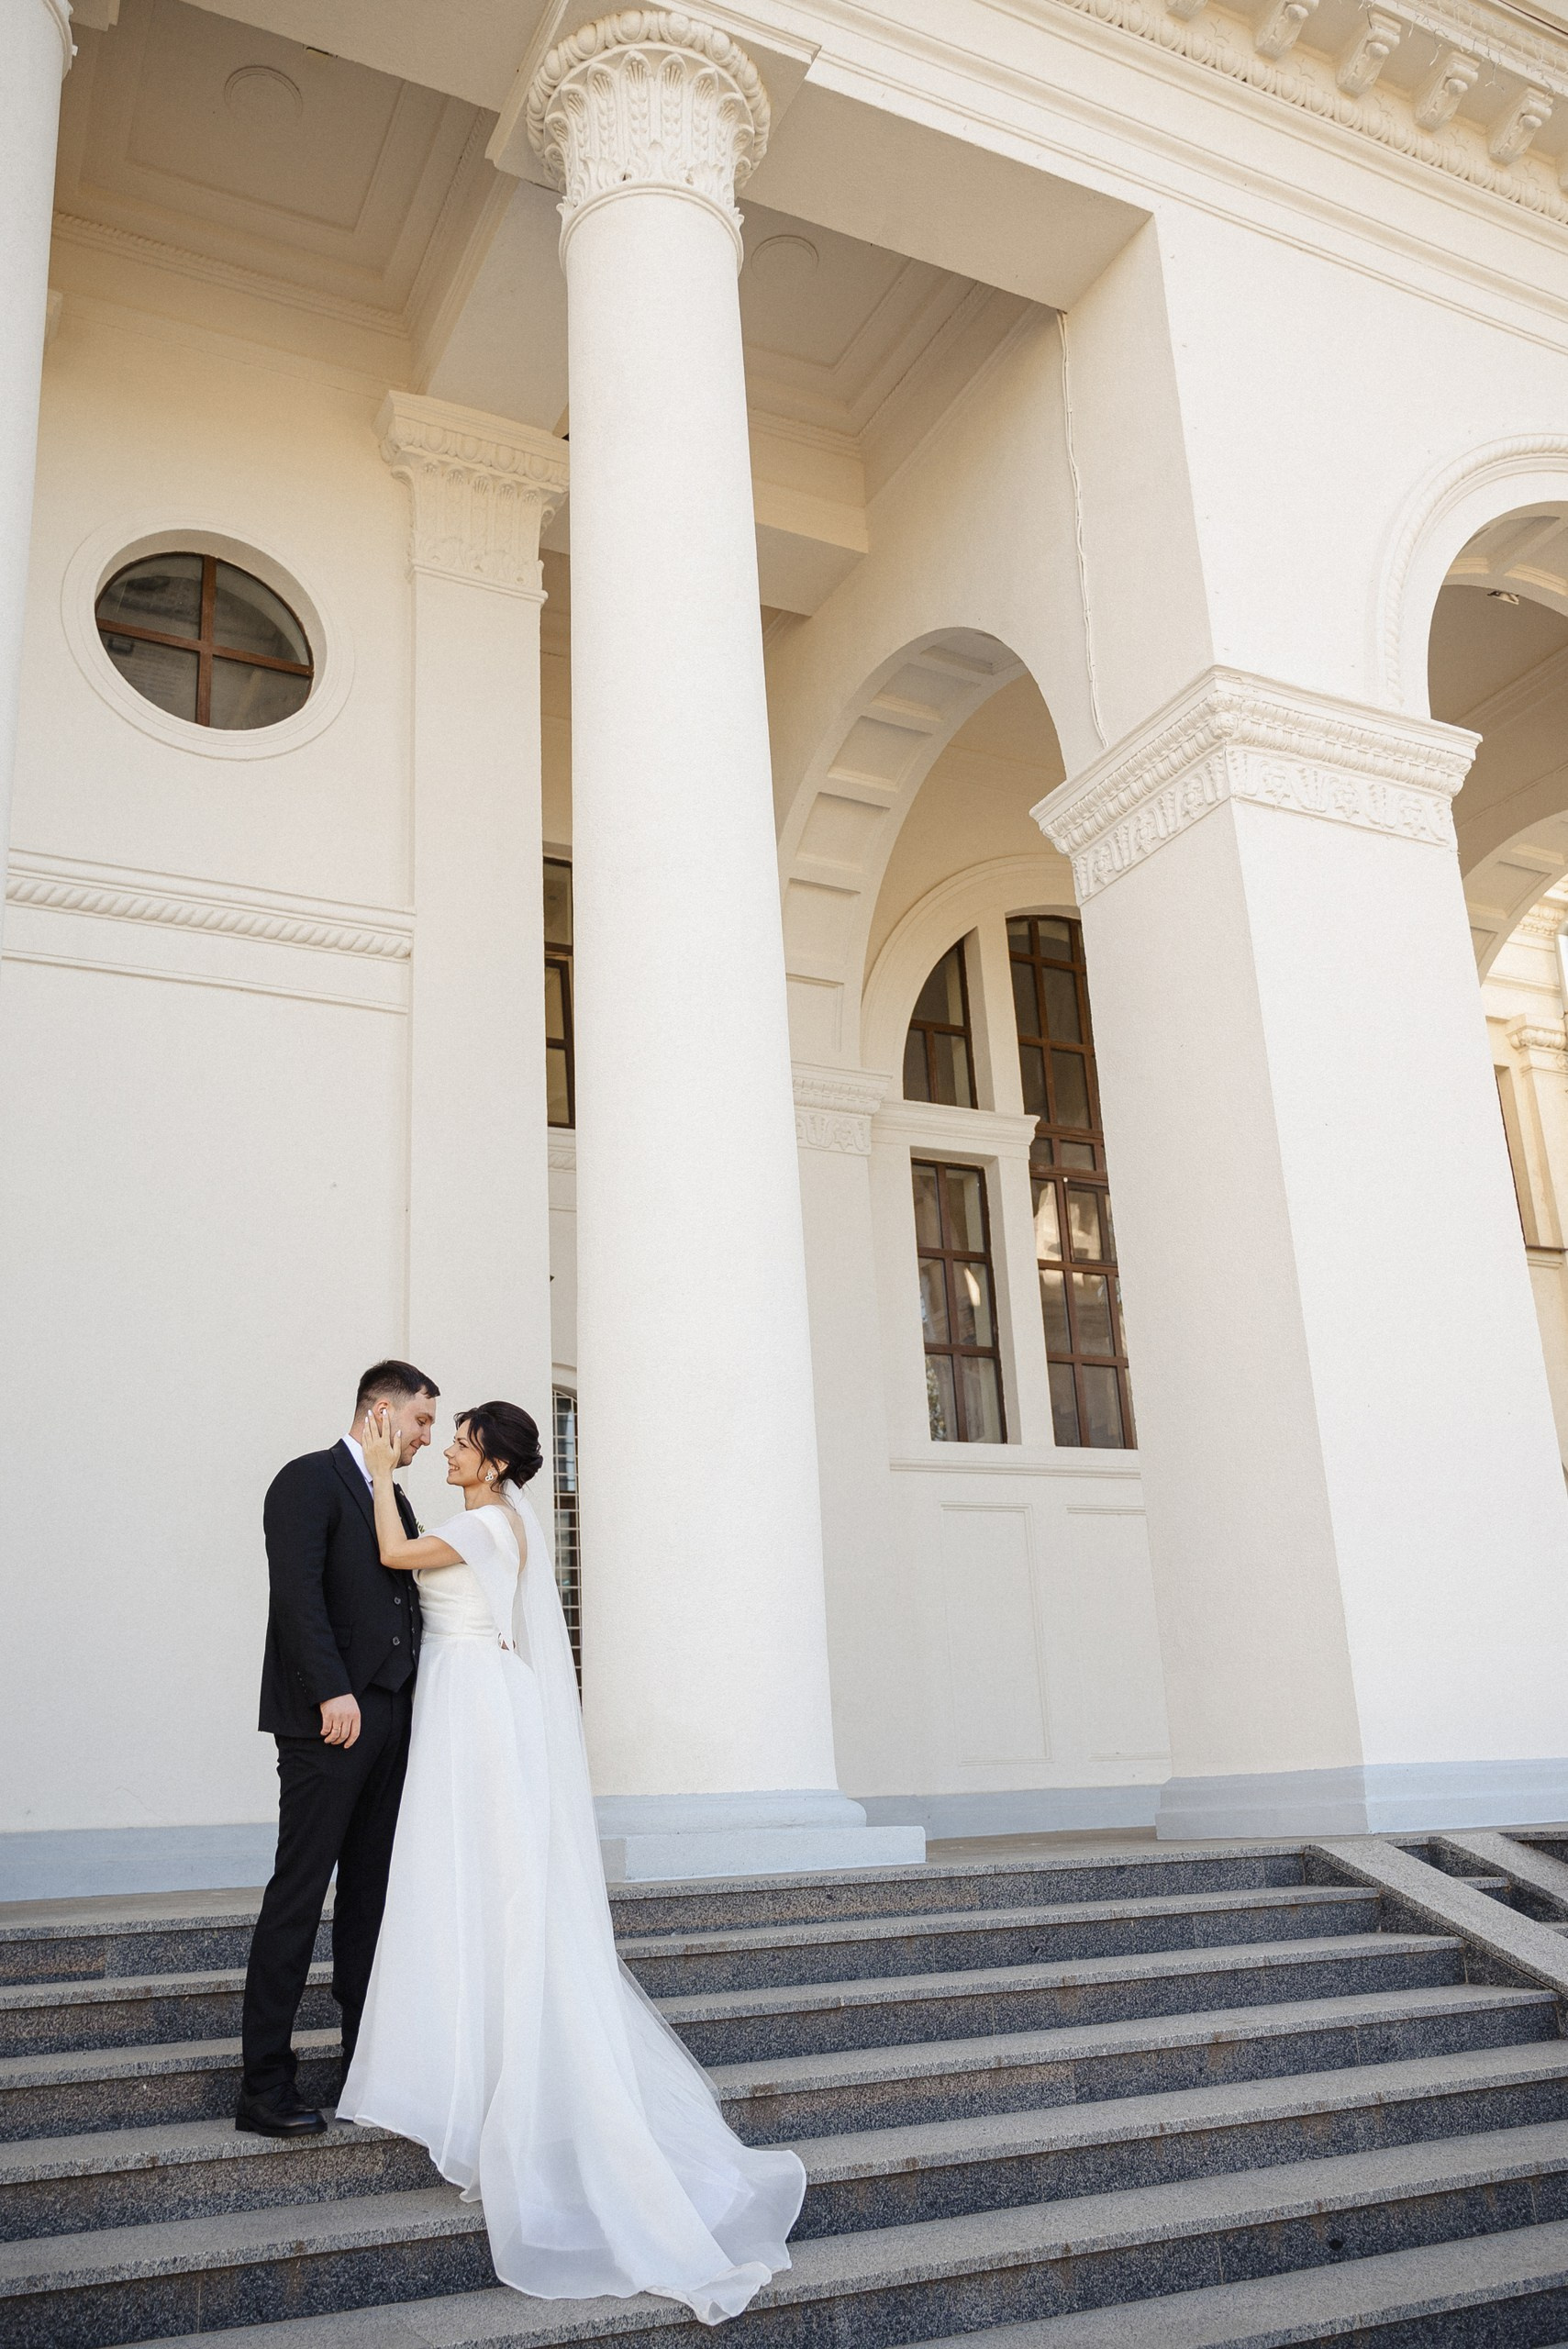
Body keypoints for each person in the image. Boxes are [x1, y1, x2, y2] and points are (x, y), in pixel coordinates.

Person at [339, 1398, 806, 2325]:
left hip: (469, 1695)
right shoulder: (499, 1519)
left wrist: (382, 1469)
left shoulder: (482, 1519)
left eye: (463, 1443)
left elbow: (396, 1557)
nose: (453, 1450)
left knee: (471, 1873)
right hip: (464, 1689)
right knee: (464, 1874)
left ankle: (478, 2079)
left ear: (495, 1463)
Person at [235, 1360, 439, 2139]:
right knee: (299, 1892)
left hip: (391, 1720)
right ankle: (263, 2084)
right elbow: (296, 1595)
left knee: (370, 1899)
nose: (425, 1438)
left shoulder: (400, 1500)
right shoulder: (307, 1480)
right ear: (379, 1413)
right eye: (420, 1422)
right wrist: (330, 1691)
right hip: (329, 1723)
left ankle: (364, 2065)